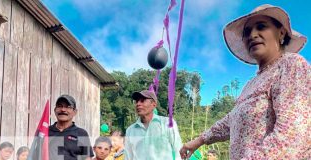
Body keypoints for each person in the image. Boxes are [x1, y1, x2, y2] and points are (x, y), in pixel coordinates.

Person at [180, 4, 310, 159]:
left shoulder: (291, 65)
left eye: (261, 27)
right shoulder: (251, 84)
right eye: (247, 32)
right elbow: (232, 120)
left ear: (281, 33)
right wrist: (199, 141)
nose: (252, 35)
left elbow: (293, 135)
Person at [124, 90, 183, 160]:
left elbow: (178, 151)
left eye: (142, 100)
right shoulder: (130, 130)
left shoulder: (167, 123)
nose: (138, 104)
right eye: (136, 101)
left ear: (154, 104)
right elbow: (128, 157)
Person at [49, 94, 94, 160]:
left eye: (68, 107)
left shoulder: (81, 133)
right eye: (59, 106)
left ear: (75, 112)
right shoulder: (44, 132)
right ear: (55, 110)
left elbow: (87, 158)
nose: (63, 110)